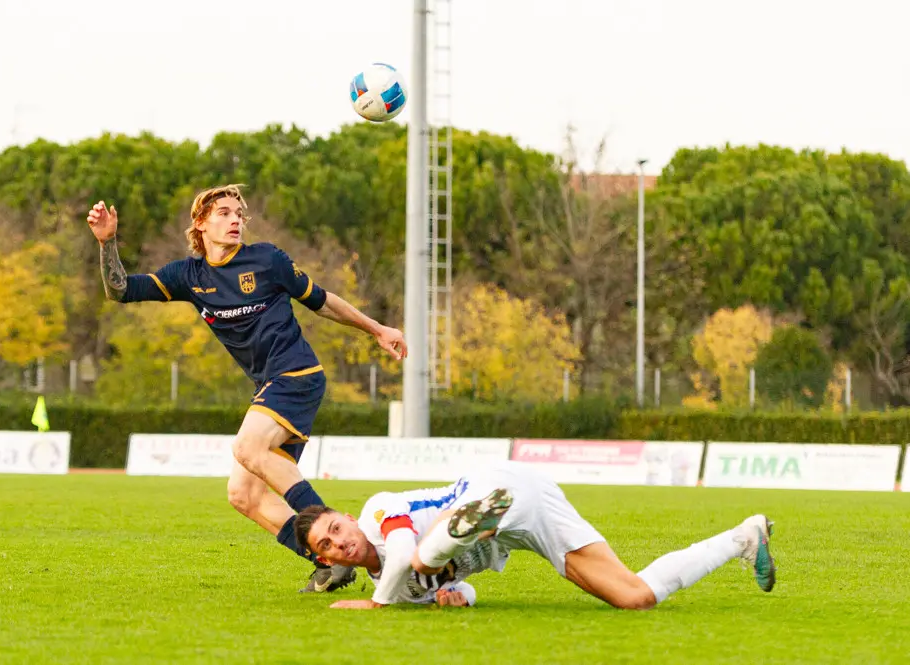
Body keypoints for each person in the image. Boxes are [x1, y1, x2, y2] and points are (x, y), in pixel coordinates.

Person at [86, 184, 408, 592]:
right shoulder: (187, 275)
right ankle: (329, 558)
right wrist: (107, 241)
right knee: (242, 494)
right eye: (223, 212)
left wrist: (377, 329)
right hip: (269, 387)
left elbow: (322, 301)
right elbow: (120, 290)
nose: (235, 219)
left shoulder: (267, 259)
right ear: (200, 223)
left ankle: (332, 526)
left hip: (297, 376)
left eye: (239, 213)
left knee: (246, 447)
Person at [295, 461, 776, 609]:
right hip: (523, 520)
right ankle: (743, 538)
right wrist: (458, 597)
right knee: (634, 596)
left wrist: (379, 605)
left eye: (336, 528)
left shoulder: (379, 510)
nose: (339, 542)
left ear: (348, 516)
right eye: (327, 546)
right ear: (324, 560)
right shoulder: (397, 587)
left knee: (419, 556)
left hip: (497, 489)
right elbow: (465, 586)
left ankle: (471, 520)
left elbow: (401, 557)